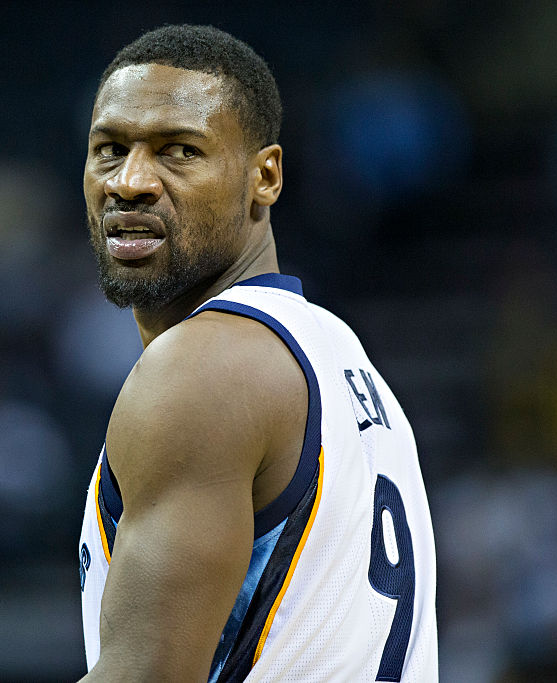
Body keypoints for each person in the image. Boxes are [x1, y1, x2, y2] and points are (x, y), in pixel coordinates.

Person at [78, 24, 438, 682]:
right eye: (110, 149)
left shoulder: (204, 369)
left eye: (179, 151)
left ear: (264, 177)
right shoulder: (340, 356)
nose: (130, 181)